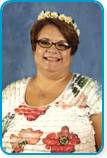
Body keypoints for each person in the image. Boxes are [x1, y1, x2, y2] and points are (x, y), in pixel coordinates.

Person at [2, 10, 102, 153]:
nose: (53, 50)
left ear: (71, 51)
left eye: (62, 45)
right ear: (34, 47)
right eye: (45, 42)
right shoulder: (9, 93)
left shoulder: (92, 91)